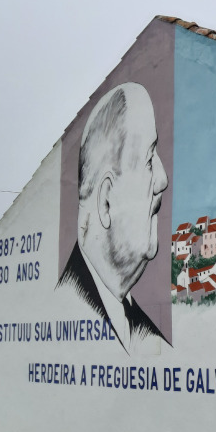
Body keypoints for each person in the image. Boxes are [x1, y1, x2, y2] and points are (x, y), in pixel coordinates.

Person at [57, 82, 169, 354]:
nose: (162, 180)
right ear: (106, 202)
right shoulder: (65, 302)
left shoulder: (143, 333)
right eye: (148, 159)